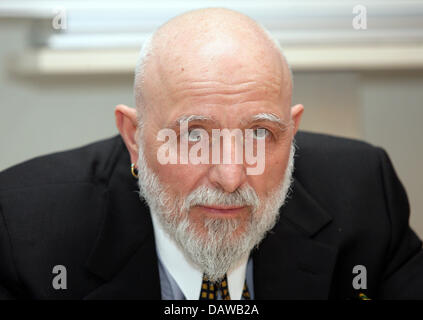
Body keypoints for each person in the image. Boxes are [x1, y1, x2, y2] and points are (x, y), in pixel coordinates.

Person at [1, 8, 422, 300]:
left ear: (292, 131)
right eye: (193, 136)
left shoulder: (365, 194)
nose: (230, 176)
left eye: (259, 133)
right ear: (134, 136)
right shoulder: (24, 230)